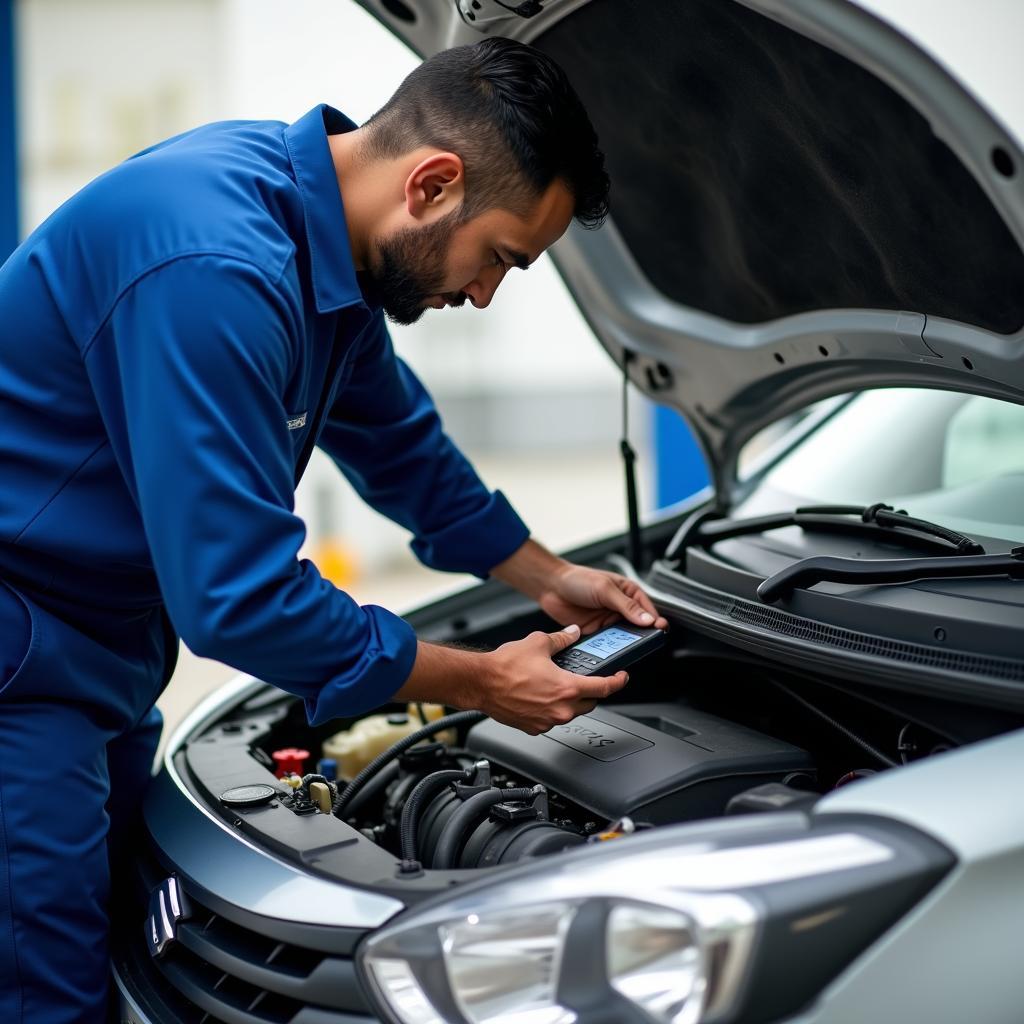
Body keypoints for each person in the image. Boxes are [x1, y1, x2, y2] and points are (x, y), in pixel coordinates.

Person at [0, 37, 667, 1022]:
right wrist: (484, 680)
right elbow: (239, 600)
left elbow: (399, 446)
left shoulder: (320, 236)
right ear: (434, 183)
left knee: (115, 954)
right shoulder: (219, 268)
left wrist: (544, 574)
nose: (483, 294)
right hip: (20, 659)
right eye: (500, 259)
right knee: (48, 994)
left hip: (102, 646)